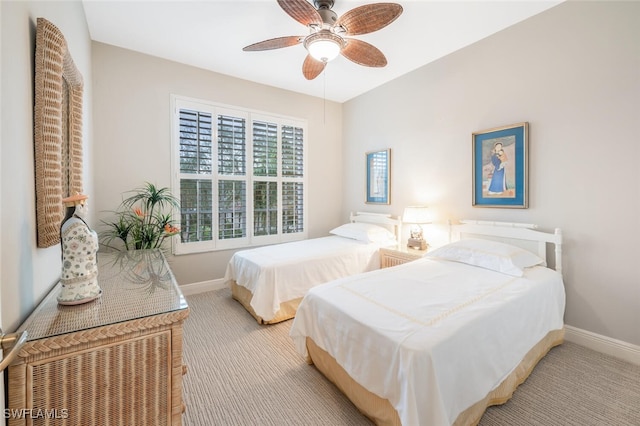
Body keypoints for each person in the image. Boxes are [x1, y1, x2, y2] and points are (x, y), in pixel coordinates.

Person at [58, 193, 102, 305]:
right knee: (80, 281)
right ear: (78, 207)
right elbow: (88, 241)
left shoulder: (70, 222)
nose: (87, 209)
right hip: (78, 263)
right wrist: (94, 234)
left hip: (74, 262)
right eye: (85, 206)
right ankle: (81, 294)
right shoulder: (75, 223)